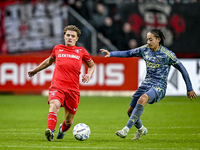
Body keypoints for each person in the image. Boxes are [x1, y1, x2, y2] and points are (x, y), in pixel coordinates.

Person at [100, 28, 197, 140]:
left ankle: (125, 129)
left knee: (142, 99)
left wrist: (189, 88)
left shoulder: (167, 54)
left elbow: (182, 68)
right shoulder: (145, 49)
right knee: (130, 112)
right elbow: (129, 53)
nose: (148, 42)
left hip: (159, 86)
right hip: (146, 84)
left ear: (158, 39)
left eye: (150, 40)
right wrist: (111, 54)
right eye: (147, 40)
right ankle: (141, 129)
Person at [28, 25, 95, 141]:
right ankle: (51, 132)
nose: (70, 37)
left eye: (72, 36)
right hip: (57, 86)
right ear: (64, 36)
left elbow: (92, 65)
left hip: (73, 90)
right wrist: (35, 70)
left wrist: (89, 74)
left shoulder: (82, 51)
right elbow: (48, 61)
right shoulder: (57, 49)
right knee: (54, 105)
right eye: (68, 35)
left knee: (69, 122)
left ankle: (61, 130)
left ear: (77, 38)